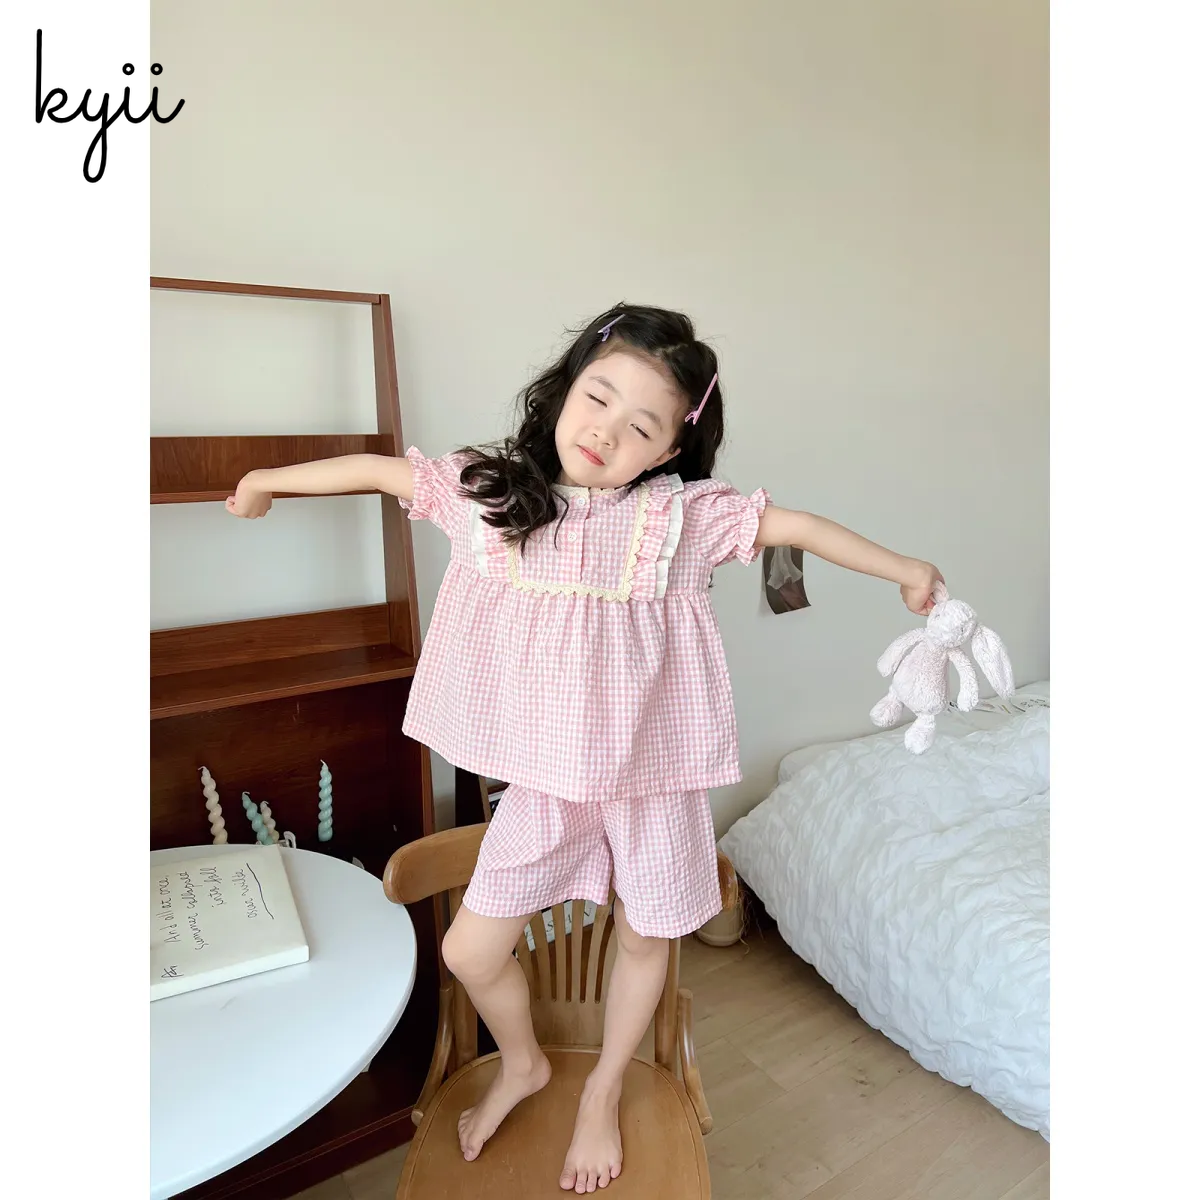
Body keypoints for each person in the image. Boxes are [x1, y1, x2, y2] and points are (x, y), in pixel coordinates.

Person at [226, 304, 942, 1194]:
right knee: (469, 952)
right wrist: (265, 479)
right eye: (598, 397)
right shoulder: (492, 494)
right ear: (566, 388)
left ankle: (604, 1089)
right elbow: (377, 471)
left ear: (670, 448)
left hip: (656, 781)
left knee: (645, 940)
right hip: (548, 783)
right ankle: (523, 1062)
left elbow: (798, 529)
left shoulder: (680, 520)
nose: (606, 430)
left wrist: (907, 570)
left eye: (641, 425)